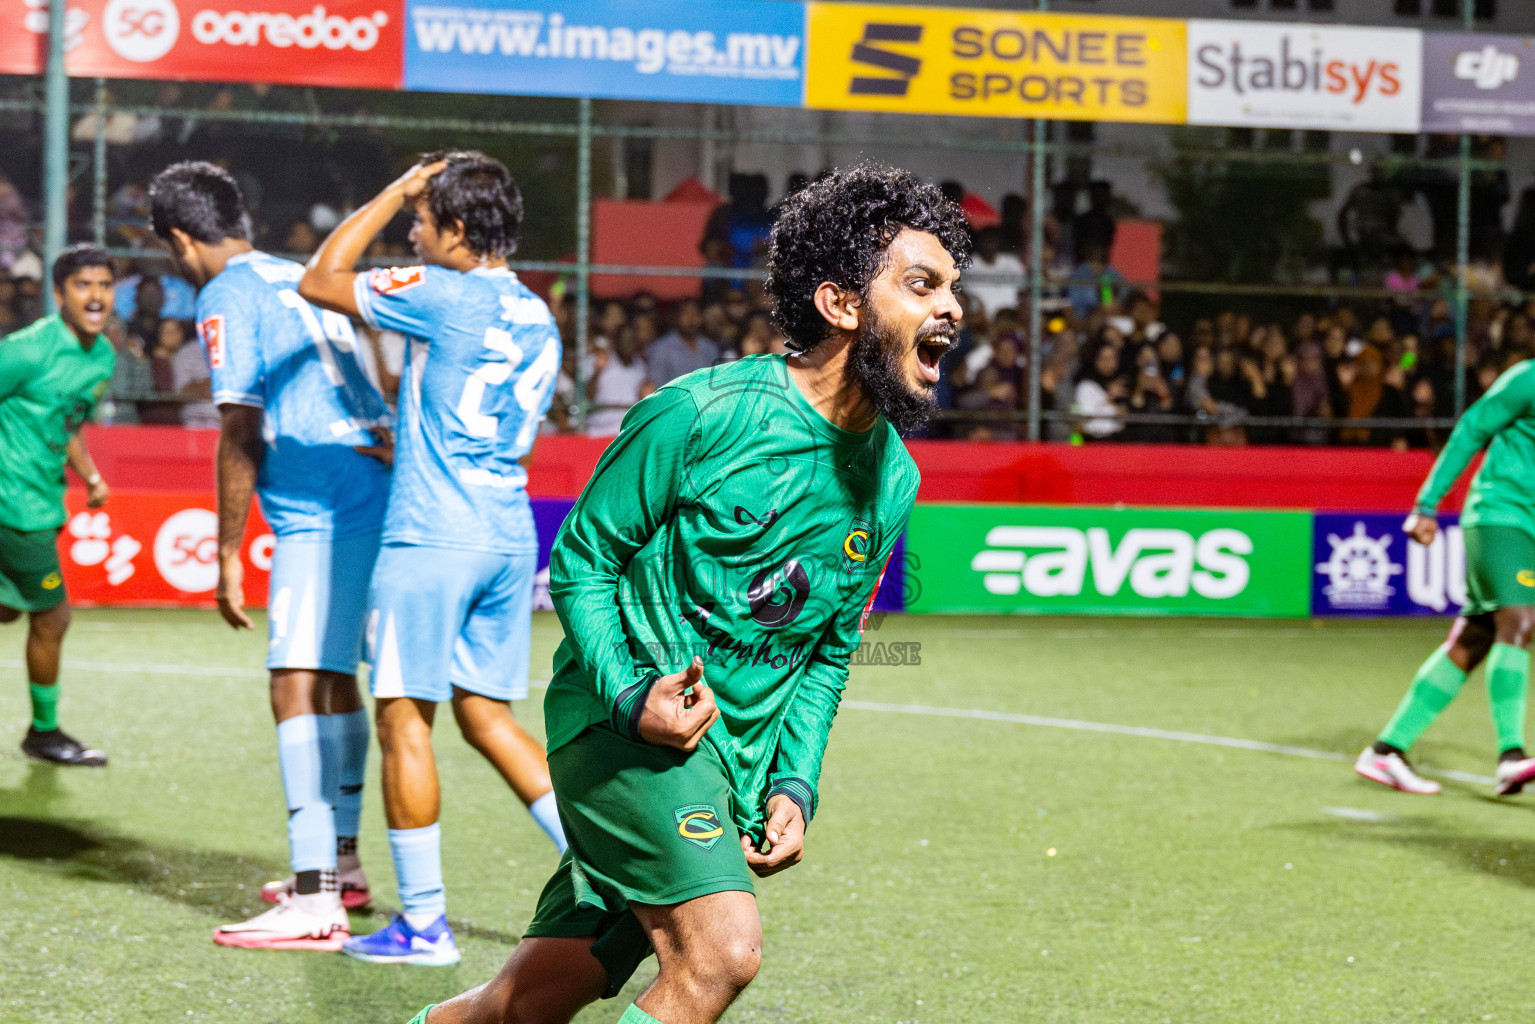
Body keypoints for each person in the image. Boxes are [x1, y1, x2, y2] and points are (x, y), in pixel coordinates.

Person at [406, 162, 966, 1024]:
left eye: (952, 287)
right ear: (841, 304)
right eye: (921, 284)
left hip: (724, 771)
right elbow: (584, 560)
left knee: (521, 1004)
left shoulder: (891, 476)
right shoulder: (698, 414)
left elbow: (825, 652)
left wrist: (793, 783)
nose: (951, 309)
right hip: (623, 737)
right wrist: (631, 697)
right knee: (720, 952)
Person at [300, 151, 568, 967]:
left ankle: (423, 926)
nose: (412, 237)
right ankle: (606, 862)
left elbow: (321, 279)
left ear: (455, 230)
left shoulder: (440, 294)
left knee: (403, 718)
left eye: (421, 224)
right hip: (505, 532)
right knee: (487, 716)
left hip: (430, 536)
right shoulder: (537, 314)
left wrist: (390, 190)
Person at [149, 161, 391, 950]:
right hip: (371, 484)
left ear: (182, 240)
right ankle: (342, 866)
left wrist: (226, 553)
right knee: (332, 678)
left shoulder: (223, 293)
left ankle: (315, 897)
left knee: (292, 685)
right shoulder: (295, 273)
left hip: (322, 500)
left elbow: (238, 426)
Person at [1356, 358, 1535, 797]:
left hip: (1528, 527)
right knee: (1521, 619)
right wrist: (1426, 504)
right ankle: (1511, 755)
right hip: (1499, 514)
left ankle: (1387, 749)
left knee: (1472, 639)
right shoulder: (1527, 378)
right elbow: (1472, 428)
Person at [0, 244, 115, 767]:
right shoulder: (27, 350)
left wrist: (88, 473)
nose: (95, 295)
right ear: (59, 294)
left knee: (6, 609)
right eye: (83, 285)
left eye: (104, 285)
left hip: (44, 499)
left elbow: (67, 423)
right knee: (52, 616)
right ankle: (44, 733)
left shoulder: (104, 356)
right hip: (14, 504)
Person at [645, 298, 720, 386]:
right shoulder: (662, 348)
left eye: (695, 314)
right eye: (686, 314)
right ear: (676, 317)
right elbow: (655, 384)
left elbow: (717, 381)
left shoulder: (710, 347)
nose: (691, 319)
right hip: (673, 398)